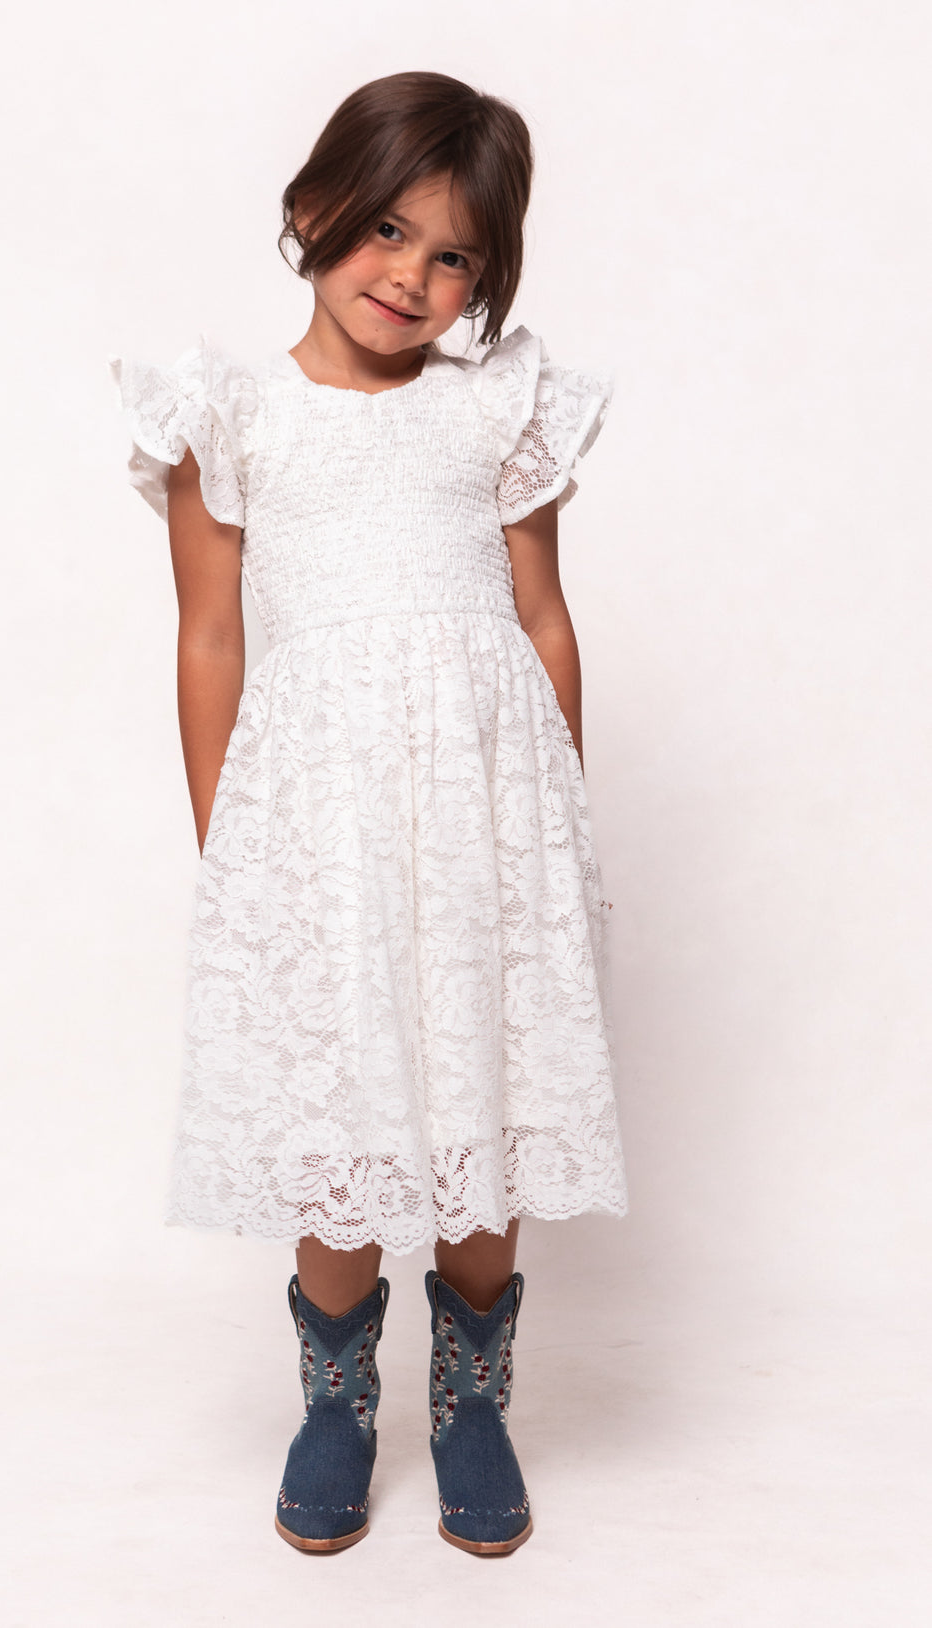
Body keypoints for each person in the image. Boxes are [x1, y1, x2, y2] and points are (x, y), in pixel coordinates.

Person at [109, 69, 628, 1557]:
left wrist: (556, 819)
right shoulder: (231, 414)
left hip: (485, 821)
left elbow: (543, 618)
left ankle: (471, 1405)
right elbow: (211, 636)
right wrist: (231, 842)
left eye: (453, 254)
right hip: (319, 831)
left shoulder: (497, 412)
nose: (409, 275)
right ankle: (336, 1402)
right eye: (386, 229)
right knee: (340, 1112)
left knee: (481, 1100)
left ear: (488, 275)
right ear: (311, 209)